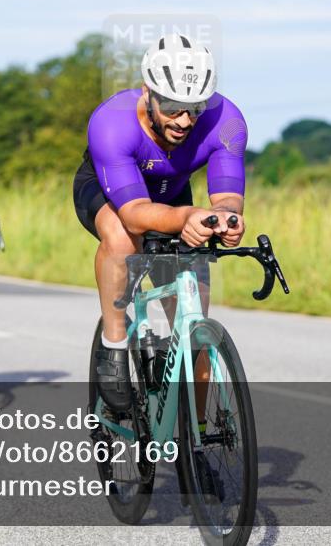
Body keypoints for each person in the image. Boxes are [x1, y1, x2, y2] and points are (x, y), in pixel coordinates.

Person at [73, 34, 248, 411]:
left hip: (172, 197)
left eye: (195, 107)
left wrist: (227, 217)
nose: (184, 120)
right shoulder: (112, 123)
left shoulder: (227, 121)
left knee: (195, 326)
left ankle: (196, 446)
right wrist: (186, 216)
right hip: (112, 195)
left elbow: (228, 194)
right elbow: (135, 215)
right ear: (146, 92)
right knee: (122, 239)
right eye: (171, 106)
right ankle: (115, 345)